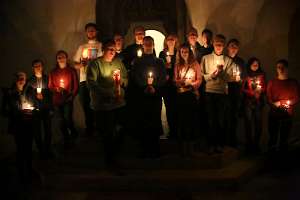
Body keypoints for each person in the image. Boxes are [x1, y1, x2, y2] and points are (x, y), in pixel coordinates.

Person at [87, 40, 128, 171]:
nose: (112, 51)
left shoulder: (118, 62)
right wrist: (108, 93)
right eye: (109, 49)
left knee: (122, 129)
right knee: (107, 133)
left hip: (118, 103)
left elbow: (125, 78)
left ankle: (115, 155)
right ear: (103, 49)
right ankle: (110, 160)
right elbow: (92, 83)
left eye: (114, 49)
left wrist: (121, 82)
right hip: (102, 105)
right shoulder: (95, 64)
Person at [131, 36, 167, 158]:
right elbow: (135, 76)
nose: (148, 46)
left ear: (153, 45)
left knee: (155, 119)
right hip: (142, 95)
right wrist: (145, 87)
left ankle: (155, 148)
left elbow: (162, 77)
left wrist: (154, 87)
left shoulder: (159, 62)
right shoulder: (137, 61)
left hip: (155, 95)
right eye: (145, 44)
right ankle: (144, 148)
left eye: (150, 43)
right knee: (143, 120)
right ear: (142, 45)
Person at [201, 34, 237, 154]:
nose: (218, 47)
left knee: (221, 120)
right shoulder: (206, 58)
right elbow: (202, 76)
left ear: (224, 46)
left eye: (221, 45)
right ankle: (211, 144)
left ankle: (220, 144)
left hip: (222, 93)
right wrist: (212, 75)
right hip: (209, 92)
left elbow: (230, 78)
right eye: (217, 44)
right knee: (211, 120)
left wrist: (221, 73)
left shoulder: (228, 61)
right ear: (213, 44)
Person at [3, 72, 35, 185]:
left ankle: (30, 171)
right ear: (15, 80)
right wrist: (17, 112)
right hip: (18, 125)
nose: (21, 80)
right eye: (18, 78)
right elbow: (4, 111)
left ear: (26, 79)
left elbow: (35, 105)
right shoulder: (10, 93)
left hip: (29, 124)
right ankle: (21, 174)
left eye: (23, 78)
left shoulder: (30, 90)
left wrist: (32, 110)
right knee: (20, 149)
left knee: (29, 149)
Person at [73, 22, 102, 136]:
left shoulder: (100, 45)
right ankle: (89, 128)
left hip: (96, 79)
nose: (91, 32)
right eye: (89, 30)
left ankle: (98, 127)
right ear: (86, 33)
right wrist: (81, 65)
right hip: (84, 79)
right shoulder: (82, 47)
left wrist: (93, 62)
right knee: (85, 103)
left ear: (97, 32)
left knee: (97, 103)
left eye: (93, 30)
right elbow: (75, 64)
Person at [174, 44, 202, 156]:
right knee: (182, 120)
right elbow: (175, 80)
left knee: (191, 120)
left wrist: (191, 84)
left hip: (191, 95)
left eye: (186, 51)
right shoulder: (177, 65)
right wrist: (180, 82)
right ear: (179, 53)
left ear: (190, 53)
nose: (184, 53)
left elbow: (199, 79)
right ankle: (183, 147)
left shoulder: (195, 64)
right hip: (181, 95)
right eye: (182, 52)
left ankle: (191, 147)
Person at [267, 59, 300, 154]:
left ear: (287, 68)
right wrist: (273, 104)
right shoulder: (272, 82)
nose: (280, 69)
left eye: (283, 67)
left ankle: (282, 160)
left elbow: (297, 97)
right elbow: (269, 98)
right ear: (276, 69)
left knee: (284, 139)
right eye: (278, 67)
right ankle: (271, 160)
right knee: (273, 138)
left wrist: (281, 102)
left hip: (287, 115)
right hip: (274, 115)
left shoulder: (293, 82)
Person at [49, 50, 79, 148]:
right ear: (56, 60)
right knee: (61, 120)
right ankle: (66, 139)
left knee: (68, 119)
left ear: (66, 58)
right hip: (57, 101)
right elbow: (50, 86)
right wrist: (56, 89)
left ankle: (73, 133)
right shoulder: (53, 72)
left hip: (68, 100)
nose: (61, 59)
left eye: (63, 57)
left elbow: (75, 87)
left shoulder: (71, 71)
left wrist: (71, 97)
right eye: (59, 57)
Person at [26, 59, 54, 159]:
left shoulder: (48, 79)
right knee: (37, 132)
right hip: (35, 110)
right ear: (33, 68)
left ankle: (48, 150)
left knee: (48, 131)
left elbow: (51, 94)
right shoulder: (29, 81)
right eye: (36, 66)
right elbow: (27, 96)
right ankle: (41, 151)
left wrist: (50, 107)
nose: (38, 68)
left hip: (46, 109)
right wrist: (35, 96)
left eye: (40, 65)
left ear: (42, 67)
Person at [241, 57, 266, 154]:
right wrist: (251, 93)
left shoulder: (262, 75)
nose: (255, 66)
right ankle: (249, 145)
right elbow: (242, 89)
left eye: (257, 64)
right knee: (248, 123)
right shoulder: (246, 75)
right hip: (248, 102)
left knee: (258, 123)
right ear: (250, 65)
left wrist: (260, 92)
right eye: (253, 64)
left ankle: (256, 144)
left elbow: (264, 87)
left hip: (258, 102)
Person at [226, 38, 245, 148]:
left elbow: (244, 78)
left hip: (236, 92)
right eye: (232, 46)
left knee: (234, 117)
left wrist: (239, 80)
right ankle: (224, 140)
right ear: (227, 47)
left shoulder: (241, 62)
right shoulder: (222, 59)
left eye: (236, 47)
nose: (233, 49)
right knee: (224, 116)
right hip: (225, 92)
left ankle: (233, 140)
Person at [159, 33, 178, 139]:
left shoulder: (178, 53)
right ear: (166, 41)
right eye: (169, 39)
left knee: (176, 107)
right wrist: (165, 67)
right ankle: (171, 130)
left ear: (176, 41)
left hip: (176, 83)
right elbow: (159, 67)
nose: (170, 41)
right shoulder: (162, 54)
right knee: (169, 107)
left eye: (172, 39)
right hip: (166, 84)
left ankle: (177, 130)